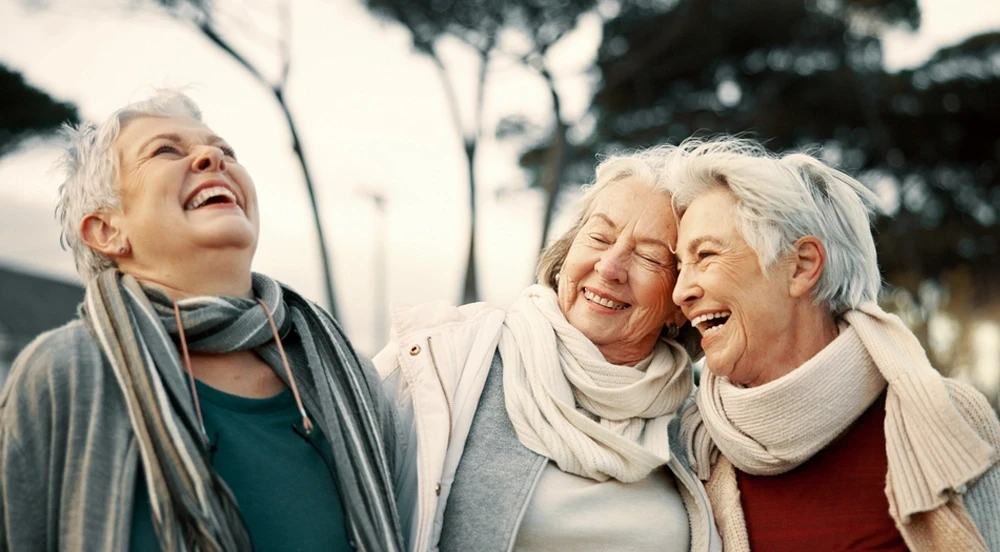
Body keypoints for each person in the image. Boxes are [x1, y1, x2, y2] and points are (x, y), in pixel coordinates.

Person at [0, 90, 404, 551]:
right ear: (107, 231)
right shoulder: (64, 373)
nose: (213, 158)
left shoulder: (349, 378)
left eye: (225, 150)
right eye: (166, 151)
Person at [374, 148, 721, 552]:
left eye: (649, 256)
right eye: (599, 237)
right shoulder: (442, 358)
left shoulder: (700, 426)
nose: (609, 267)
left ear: (680, 301)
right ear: (567, 252)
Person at [669, 137, 1000, 552]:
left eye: (706, 255)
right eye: (679, 265)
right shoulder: (693, 448)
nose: (680, 292)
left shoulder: (953, 421)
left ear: (802, 266)